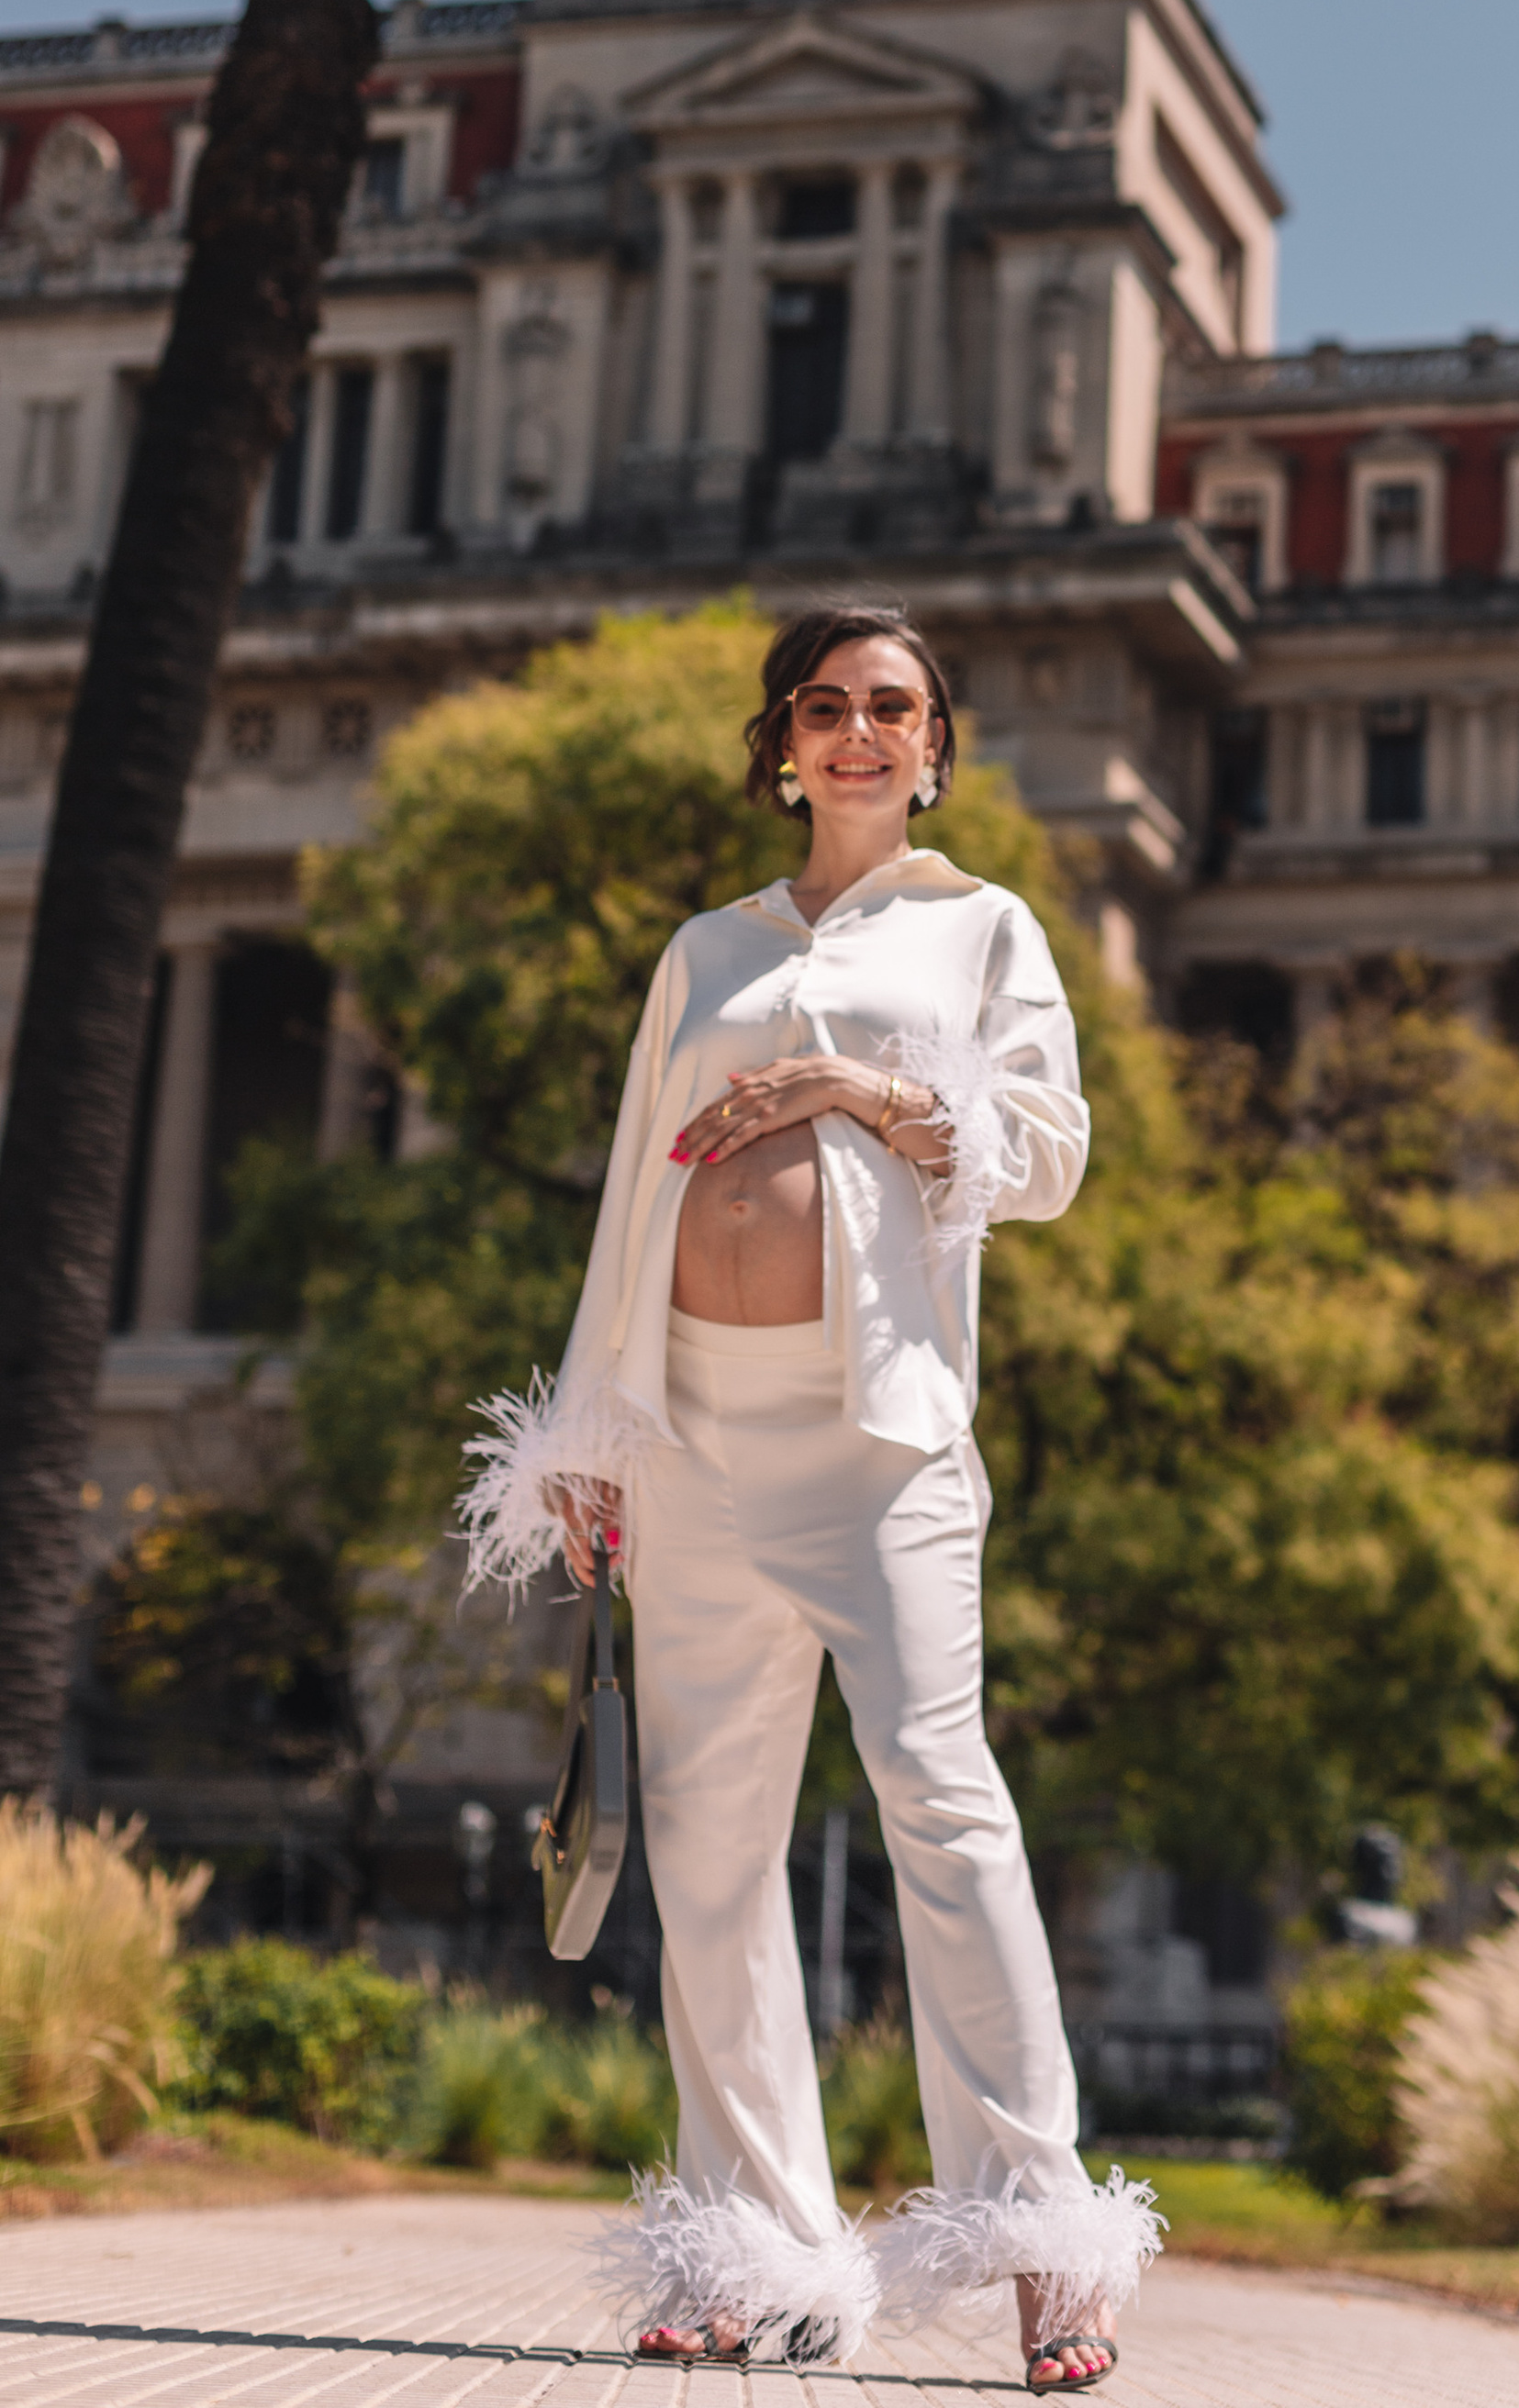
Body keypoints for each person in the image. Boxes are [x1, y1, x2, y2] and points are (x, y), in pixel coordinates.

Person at [459, 602, 1157, 2388]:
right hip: (691, 1431)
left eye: (893, 709)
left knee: (943, 1800)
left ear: (937, 743)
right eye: (828, 706)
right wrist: (595, 1439)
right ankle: (763, 2255)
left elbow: (1053, 1155)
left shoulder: (980, 925)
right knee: (707, 1852)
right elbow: (632, 1192)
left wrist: (869, 1087)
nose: (858, 734)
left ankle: (1042, 2245)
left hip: (880, 1436)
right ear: (782, 740)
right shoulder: (705, 948)